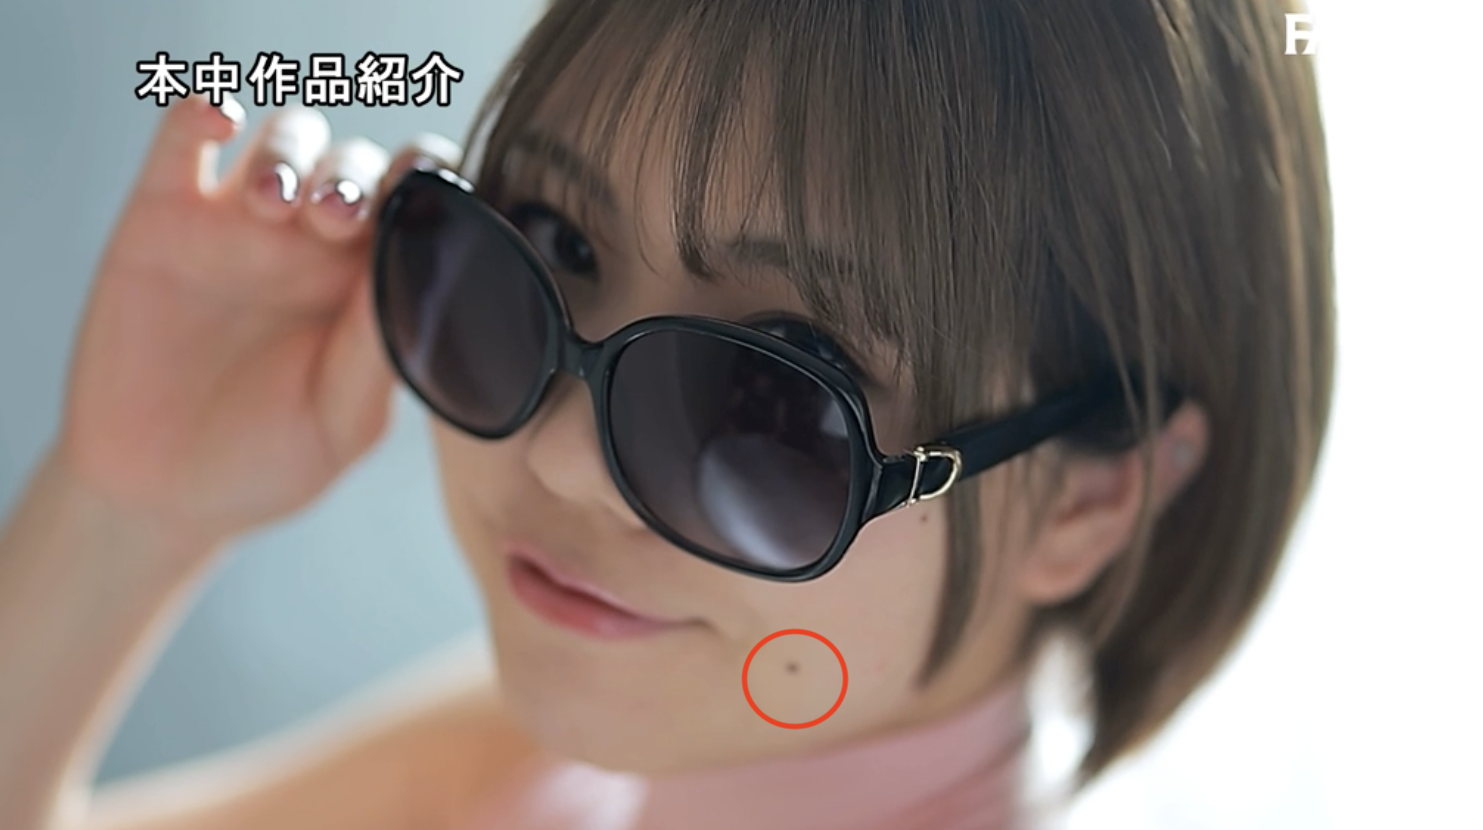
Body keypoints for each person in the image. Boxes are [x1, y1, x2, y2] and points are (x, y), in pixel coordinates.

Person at [0, 0, 1333, 828]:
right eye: (554, 242)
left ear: (1092, 495)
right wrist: (128, 510)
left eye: (778, 383)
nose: (561, 458)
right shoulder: (571, 758)